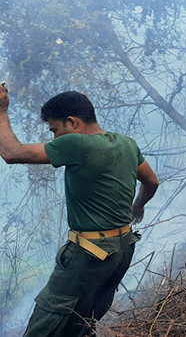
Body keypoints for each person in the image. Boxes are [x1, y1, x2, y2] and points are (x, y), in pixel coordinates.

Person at [0, 89, 160, 336]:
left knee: (45, 325)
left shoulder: (76, 142)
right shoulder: (127, 144)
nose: (55, 138)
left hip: (88, 255)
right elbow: (151, 181)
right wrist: (137, 206)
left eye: (54, 130)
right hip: (122, 250)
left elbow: (11, 153)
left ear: (73, 121)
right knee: (82, 324)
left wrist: (1, 111)